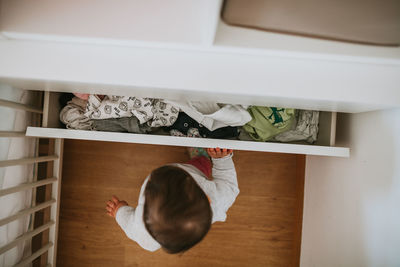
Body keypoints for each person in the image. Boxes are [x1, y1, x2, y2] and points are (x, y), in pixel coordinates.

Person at [106, 147, 239, 253]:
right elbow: (228, 184)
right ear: (208, 199)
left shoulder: (145, 236)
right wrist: (221, 160)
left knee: (195, 166)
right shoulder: (218, 200)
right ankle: (202, 158)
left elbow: (130, 225)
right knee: (200, 165)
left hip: (184, 173)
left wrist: (119, 211)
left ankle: (199, 159)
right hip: (194, 171)